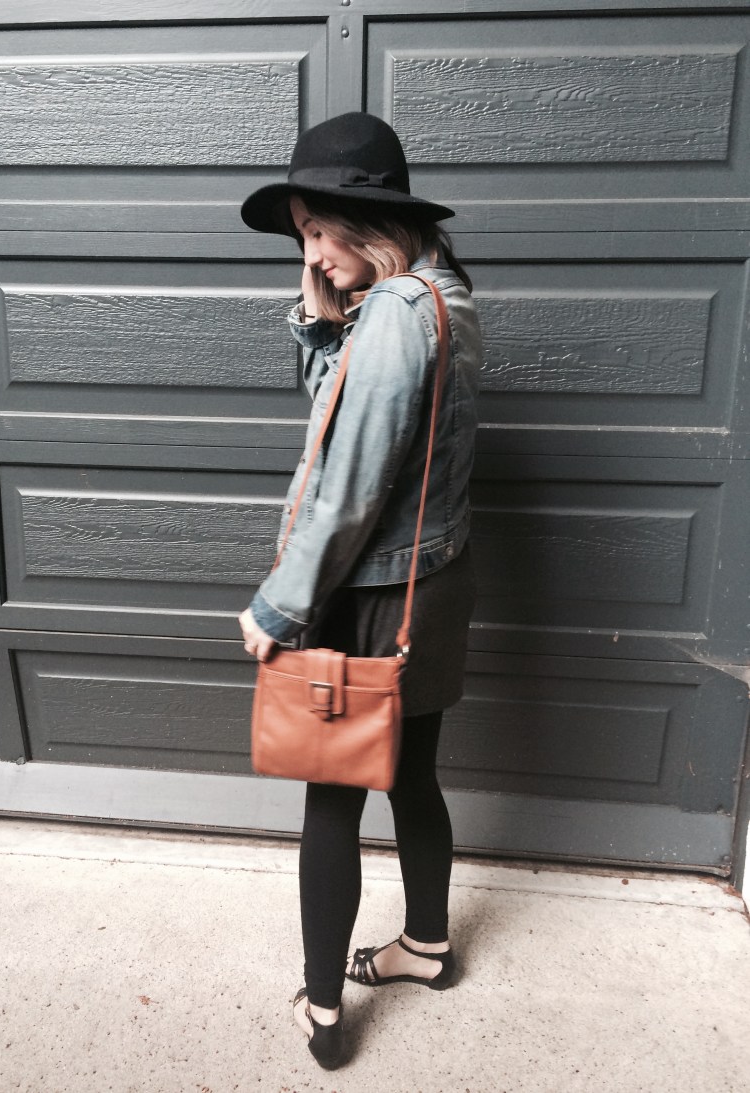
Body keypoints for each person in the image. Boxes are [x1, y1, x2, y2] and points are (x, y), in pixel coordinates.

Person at [239, 112, 481, 1070]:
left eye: (312, 231)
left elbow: (348, 485)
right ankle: (425, 947)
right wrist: (318, 312)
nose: (310, 250)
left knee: (331, 799)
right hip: (435, 581)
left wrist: (279, 607)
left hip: (368, 594)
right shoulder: (442, 296)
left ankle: (325, 1010)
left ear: (355, 220)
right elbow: (344, 402)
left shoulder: (392, 319)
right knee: (413, 774)